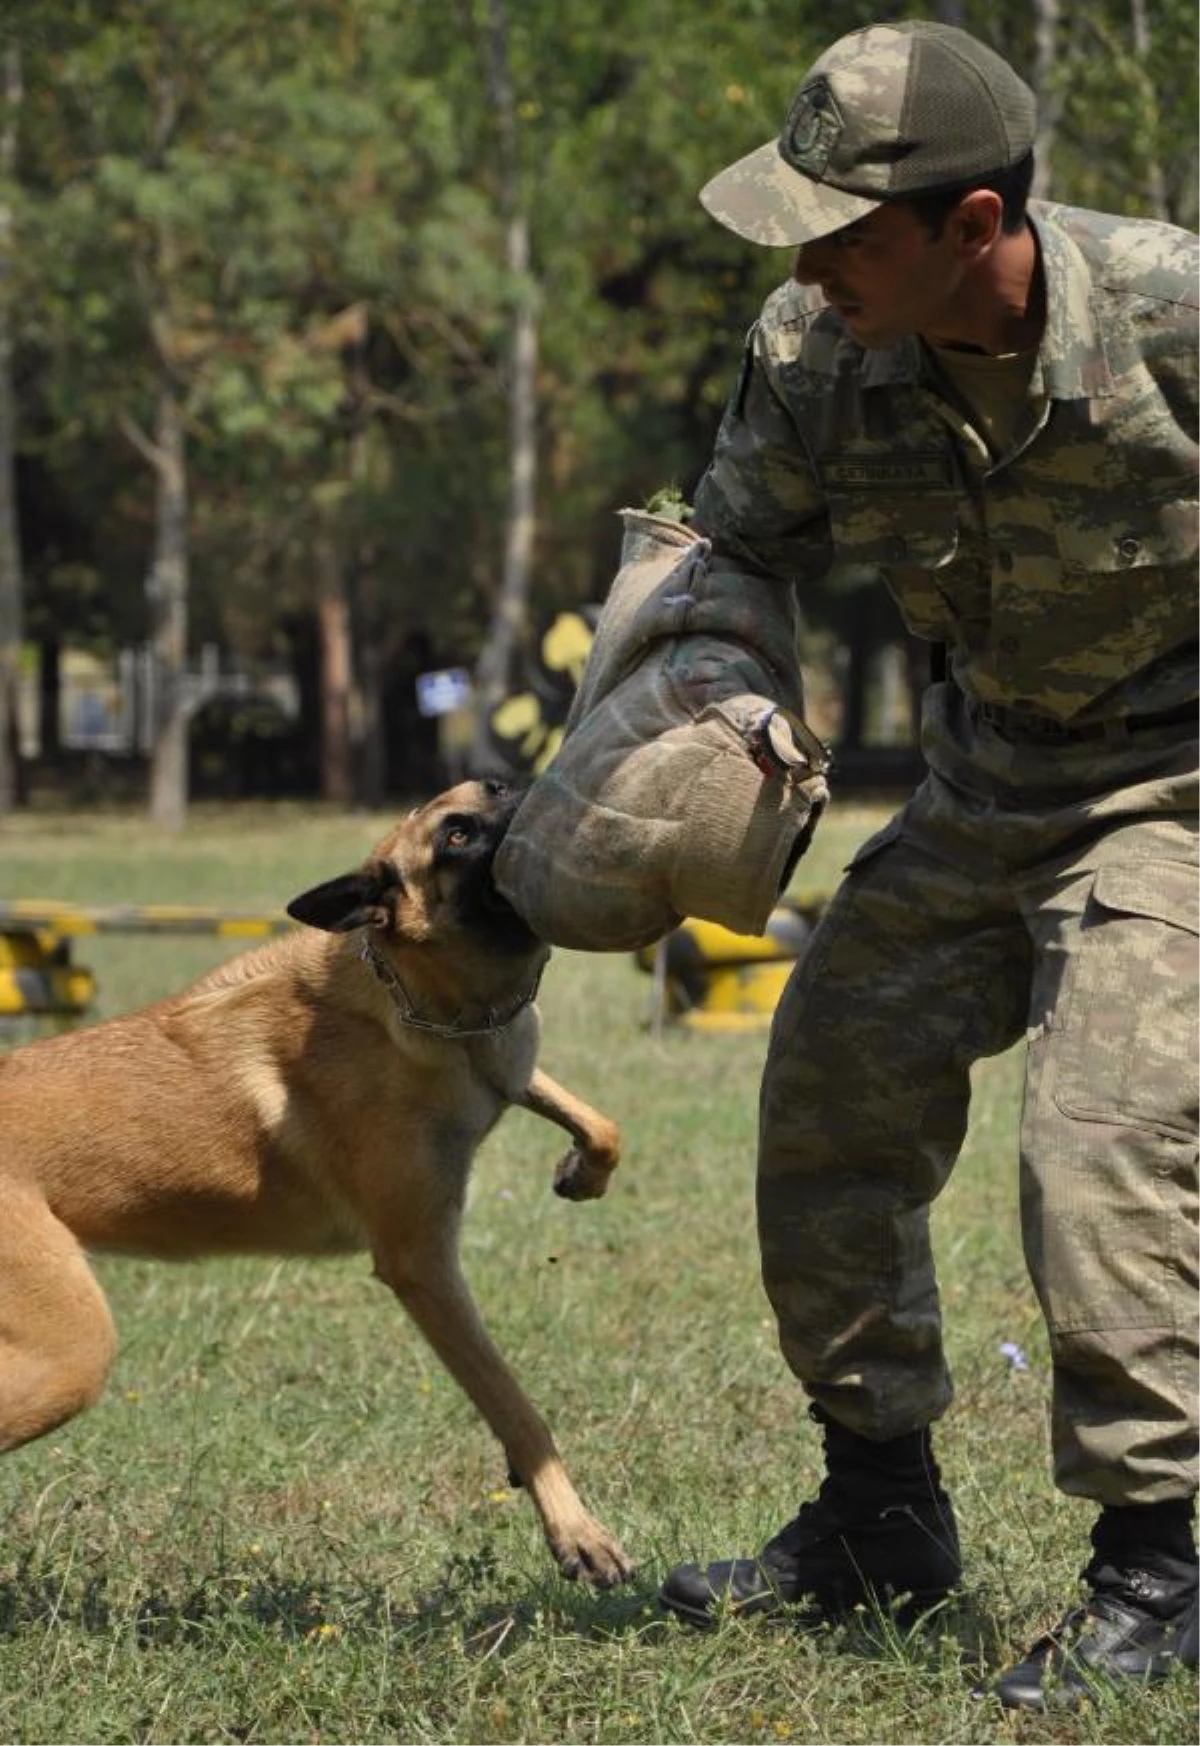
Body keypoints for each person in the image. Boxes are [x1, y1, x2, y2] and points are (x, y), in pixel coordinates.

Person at [648, 18, 1200, 1713]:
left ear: (977, 226)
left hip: (1185, 784)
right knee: (832, 1075)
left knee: (1096, 1136)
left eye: (847, 228)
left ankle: (1163, 1566)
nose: (810, 263)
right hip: (987, 779)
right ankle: (880, 1511)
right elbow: (726, 548)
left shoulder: (1175, 308)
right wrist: (697, 710)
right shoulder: (819, 350)